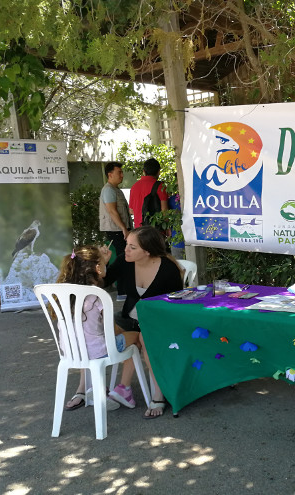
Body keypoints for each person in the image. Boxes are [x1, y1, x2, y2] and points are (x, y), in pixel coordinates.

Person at [102, 225, 184, 419]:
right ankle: (103, 389)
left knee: (145, 339)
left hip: (160, 321)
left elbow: (175, 304)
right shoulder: (125, 261)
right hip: (130, 319)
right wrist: (103, 265)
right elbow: (102, 283)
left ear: (147, 252)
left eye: (132, 247)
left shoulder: (168, 269)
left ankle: (157, 395)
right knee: (98, 336)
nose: (125, 250)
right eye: (127, 244)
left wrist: (151, 325)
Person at [55, 246, 140, 411]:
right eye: (102, 263)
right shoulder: (97, 297)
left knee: (92, 340)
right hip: (98, 351)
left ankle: (92, 388)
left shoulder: (64, 294)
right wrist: (123, 334)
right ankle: (124, 389)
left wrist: (102, 263)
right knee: (136, 338)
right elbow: (110, 329)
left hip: (72, 351)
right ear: (97, 268)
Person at [99, 161, 132, 301]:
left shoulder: (116, 189)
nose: (122, 175)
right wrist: (124, 228)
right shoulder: (108, 190)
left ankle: (125, 290)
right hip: (116, 230)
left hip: (121, 230)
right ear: (110, 174)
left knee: (126, 258)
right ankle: (122, 291)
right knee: (123, 259)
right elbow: (112, 211)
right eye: (119, 172)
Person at [129, 157, 168, 229]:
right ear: (159, 171)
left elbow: (131, 210)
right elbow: (164, 212)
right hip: (155, 230)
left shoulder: (134, 187)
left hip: (138, 230)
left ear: (144, 171)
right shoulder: (160, 186)